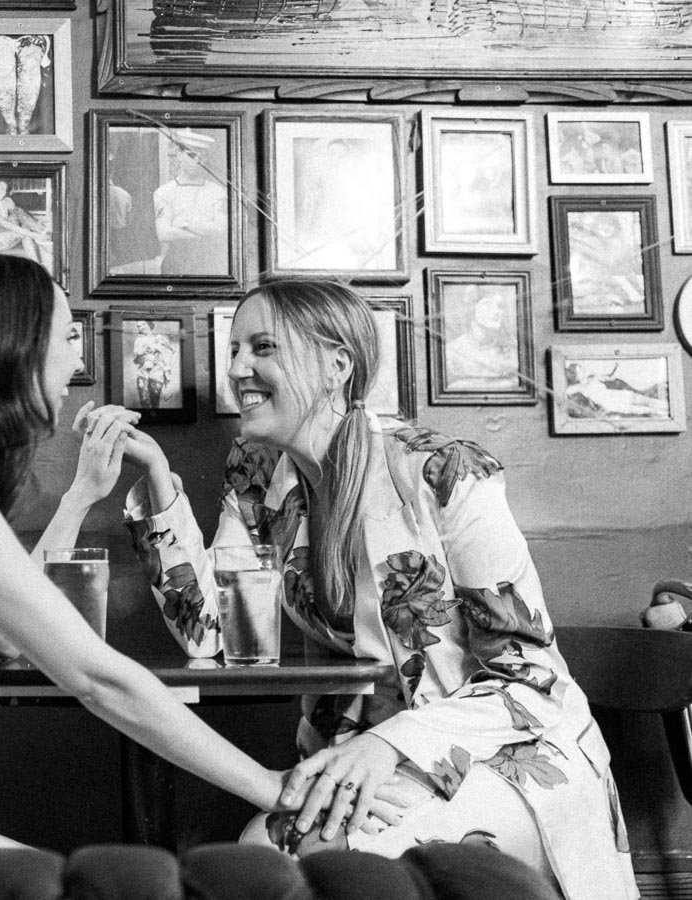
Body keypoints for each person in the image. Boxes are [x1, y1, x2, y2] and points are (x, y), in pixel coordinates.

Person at [0, 256, 379, 859]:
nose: (80, 360)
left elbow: (2, 632)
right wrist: (273, 787)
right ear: (14, 347)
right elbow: (97, 678)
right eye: (68, 337)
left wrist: (82, 495)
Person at [71, 280, 638, 900]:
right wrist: (157, 478)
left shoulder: (446, 472)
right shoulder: (257, 477)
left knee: (328, 854)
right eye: (234, 349)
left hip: (506, 756)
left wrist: (386, 745)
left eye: (262, 347)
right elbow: (209, 632)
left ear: (338, 364)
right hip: (355, 757)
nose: (235, 369)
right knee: (265, 846)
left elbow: (530, 675)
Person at [153, 131, 228, 275]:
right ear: (179, 155)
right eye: (191, 154)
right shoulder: (164, 192)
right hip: (176, 263)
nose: (197, 160)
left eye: (202, 155)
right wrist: (205, 232)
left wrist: (185, 224)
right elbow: (163, 234)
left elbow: (221, 229)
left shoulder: (217, 191)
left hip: (210, 262)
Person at [443, 285, 518, 391]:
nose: (496, 311)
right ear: (471, 308)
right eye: (487, 304)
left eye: (500, 306)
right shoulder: (451, 351)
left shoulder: (513, 350)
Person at [0, 178, 53, 272]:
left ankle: (37, 266)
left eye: (5, 190)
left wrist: (11, 206)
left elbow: (14, 217)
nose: (4, 192)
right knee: (26, 233)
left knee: (18, 214)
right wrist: (33, 234)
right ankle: (42, 233)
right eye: (1, 189)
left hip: (1, 233)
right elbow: (6, 224)